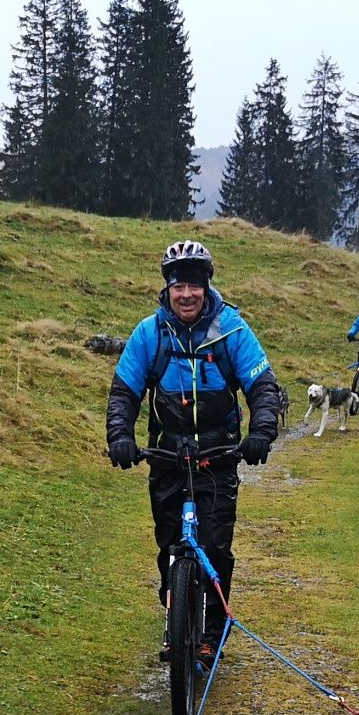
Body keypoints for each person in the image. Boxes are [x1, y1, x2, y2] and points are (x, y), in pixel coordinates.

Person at [105, 240, 281, 666]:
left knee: (215, 549)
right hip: (166, 458)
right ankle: (175, 621)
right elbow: (124, 392)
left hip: (218, 458)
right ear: (167, 289)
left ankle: (211, 637)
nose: (186, 294)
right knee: (170, 547)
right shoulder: (149, 333)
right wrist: (120, 437)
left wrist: (261, 432)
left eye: (194, 286)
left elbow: (262, 386)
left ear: (207, 288)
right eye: (178, 285)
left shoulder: (232, 330)